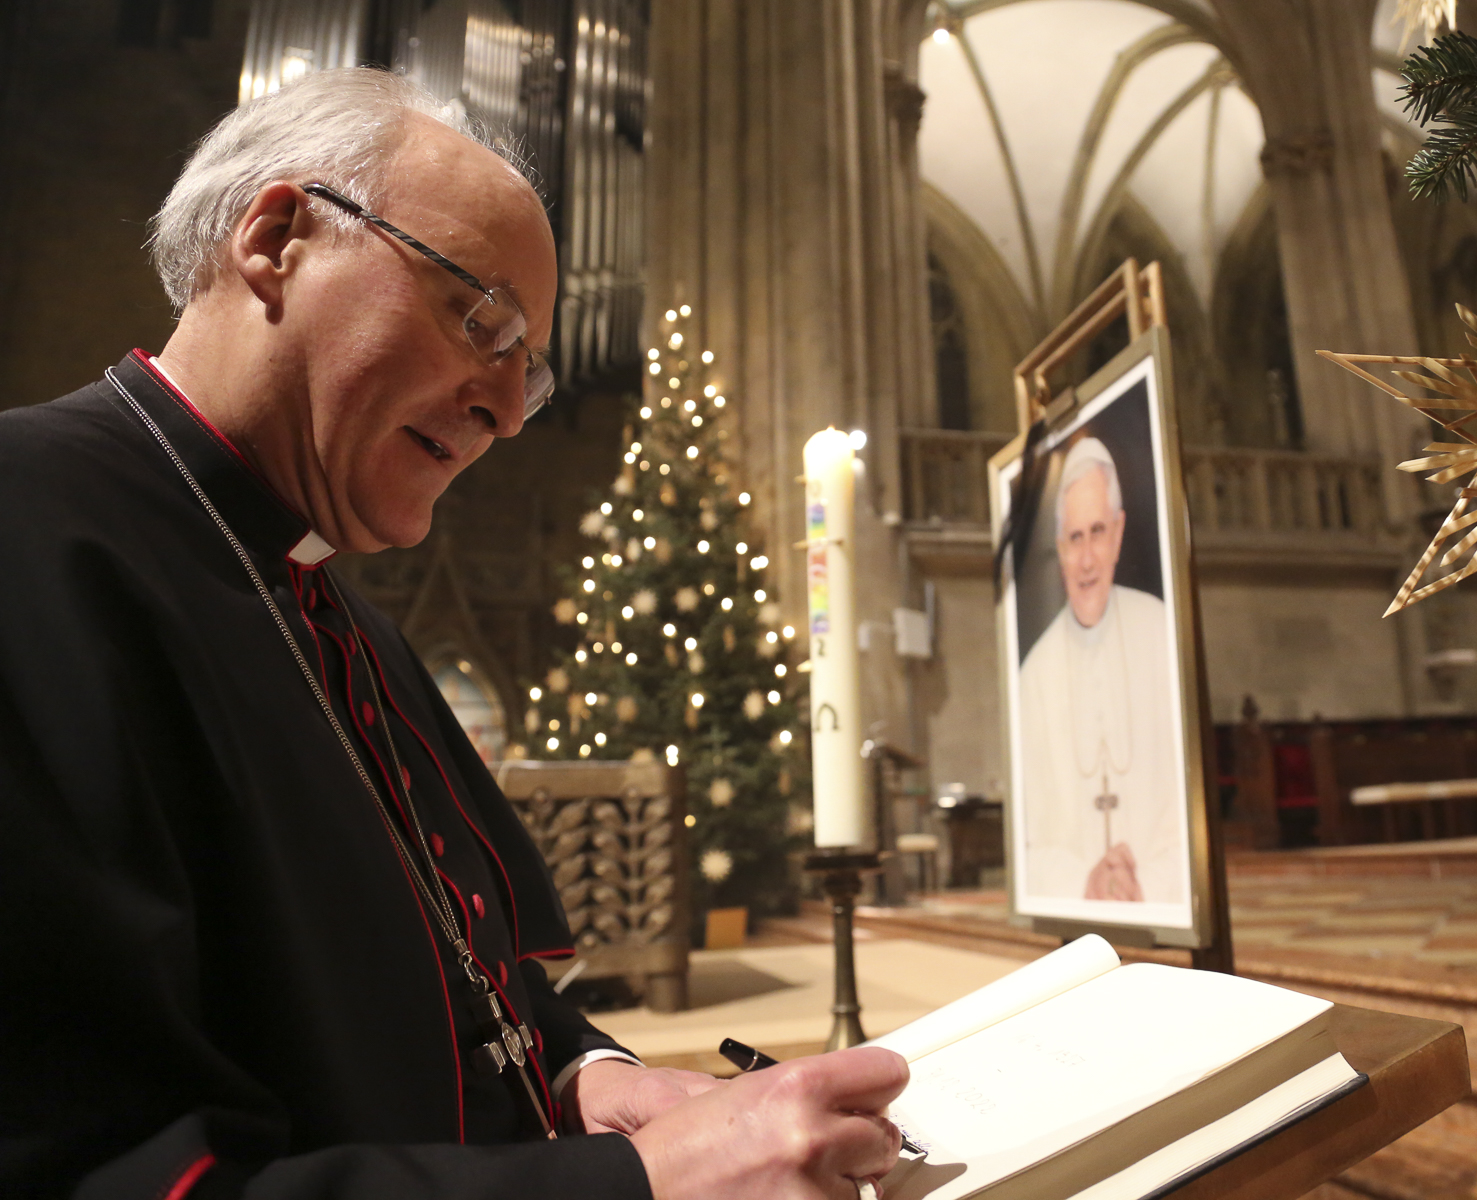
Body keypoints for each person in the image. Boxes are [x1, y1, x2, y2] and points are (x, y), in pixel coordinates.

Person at [0, 69, 905, 1199]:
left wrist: (584, 1077)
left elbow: (462, 985)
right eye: (483, 321)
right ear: (276, 240)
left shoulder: (356, 632)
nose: (508, 408)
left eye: (530, 366)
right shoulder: (25, 535)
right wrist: (638, 1184)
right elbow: (99, 1171)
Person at [1016, 436, 1187, 905]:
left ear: (1118, 533)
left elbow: (1189, 810)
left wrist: (1145, 884)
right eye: (1075, 538)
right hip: (1078, 912)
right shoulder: (1035, 676)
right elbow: (1028, 844)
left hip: (1161, 899)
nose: (1087, 559)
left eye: (1097, 532)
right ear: (1059, 549)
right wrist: (1084, 884)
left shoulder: (1161, 631)